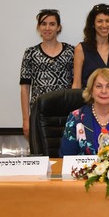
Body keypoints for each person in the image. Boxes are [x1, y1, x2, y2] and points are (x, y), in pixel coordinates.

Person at [20, 9, 74, 139]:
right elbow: (24, 88)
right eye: (43, 24)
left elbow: (76, 84)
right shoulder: (30, 53)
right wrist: (26, 120)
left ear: (58, 27)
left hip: (65, 114)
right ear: (38, 27)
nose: (47, 28)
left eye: (52, 24)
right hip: (39, 114)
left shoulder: (71, 51)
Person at [60, 68, 109, 156]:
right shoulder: (76, 118)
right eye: (98, 86)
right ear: (91, 91)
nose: (104, 91)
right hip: (84, 169)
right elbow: (66, 157)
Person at [72, 3, 109, 103]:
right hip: (89, 106)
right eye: (100, 21)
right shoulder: (81, 49)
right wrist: (76, 113)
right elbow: (76, 83)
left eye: (108, 21)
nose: (104, 25)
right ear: (93, 24)